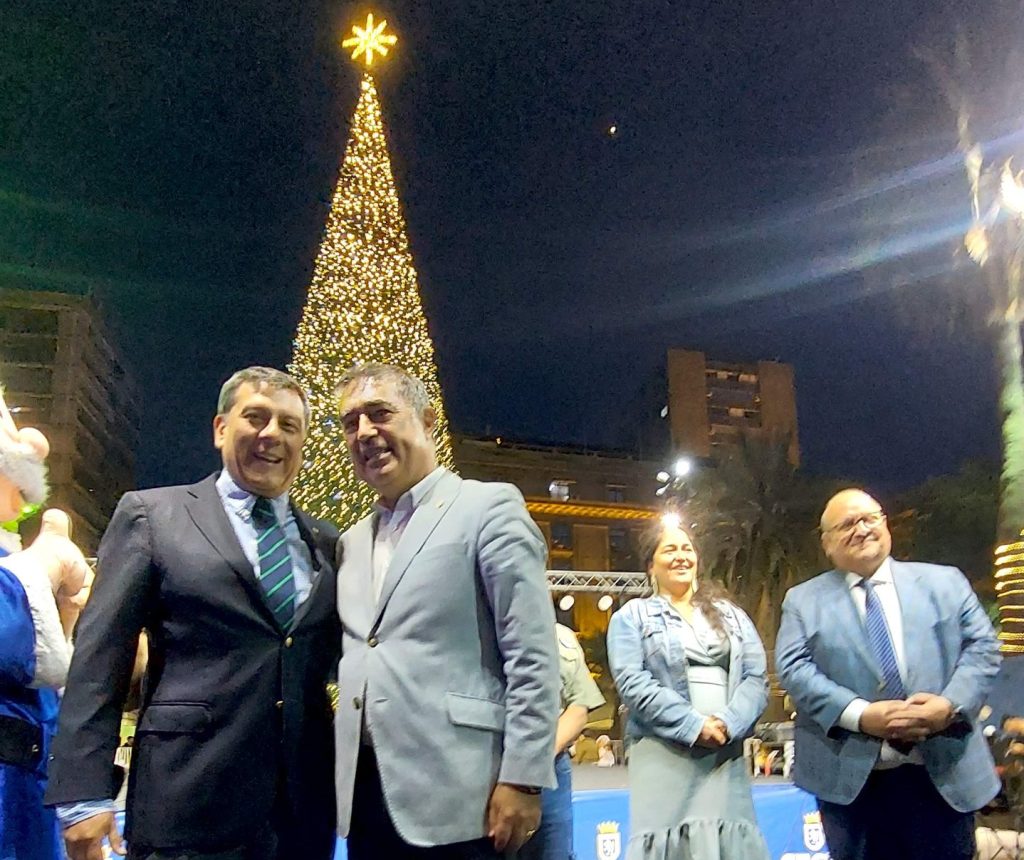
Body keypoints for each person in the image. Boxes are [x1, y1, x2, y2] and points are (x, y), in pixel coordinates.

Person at [45, 367, 341, 860]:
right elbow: (101, 658)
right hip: (186, 799)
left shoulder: (327, 543)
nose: (272, 435)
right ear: (221, 428)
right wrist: (82, 792)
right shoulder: (152, 516)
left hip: (299, 811)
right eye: (256, 417)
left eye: (289, 425)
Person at [332, 362, 559, 859]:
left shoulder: (488, 508)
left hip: (466, 800)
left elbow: (532, 654)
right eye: (351, 422)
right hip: (368, 800)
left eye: (380, 413)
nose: (365, 432)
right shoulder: (347, 543)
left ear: (428, 420)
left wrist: (523, 778)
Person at [775, 488, 1001, 860]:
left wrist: (949, 704)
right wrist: (860, 715)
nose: (861, 529)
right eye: (847, 524)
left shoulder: (946, 582)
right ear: (827, 543)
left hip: (942, 774)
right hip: (852, 786)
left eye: (870, 518)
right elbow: (794, 668)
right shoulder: (802, 600)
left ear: (886, 524)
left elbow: (983, 648)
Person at [607, 515, 771, 860]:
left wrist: (727, 723)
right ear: (651, 564)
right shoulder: (631, 617)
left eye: (687, 548)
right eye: (670, 549)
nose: (681, 556)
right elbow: (633, 683)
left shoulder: (733, 615)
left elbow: (756, 678)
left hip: (724, 753)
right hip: (663, 753)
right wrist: (693, 726)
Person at [520, 623, 605, 860]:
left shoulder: (560, 636)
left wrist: (538, 757)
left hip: (551, 768)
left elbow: (578, 708)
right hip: (488, 767)